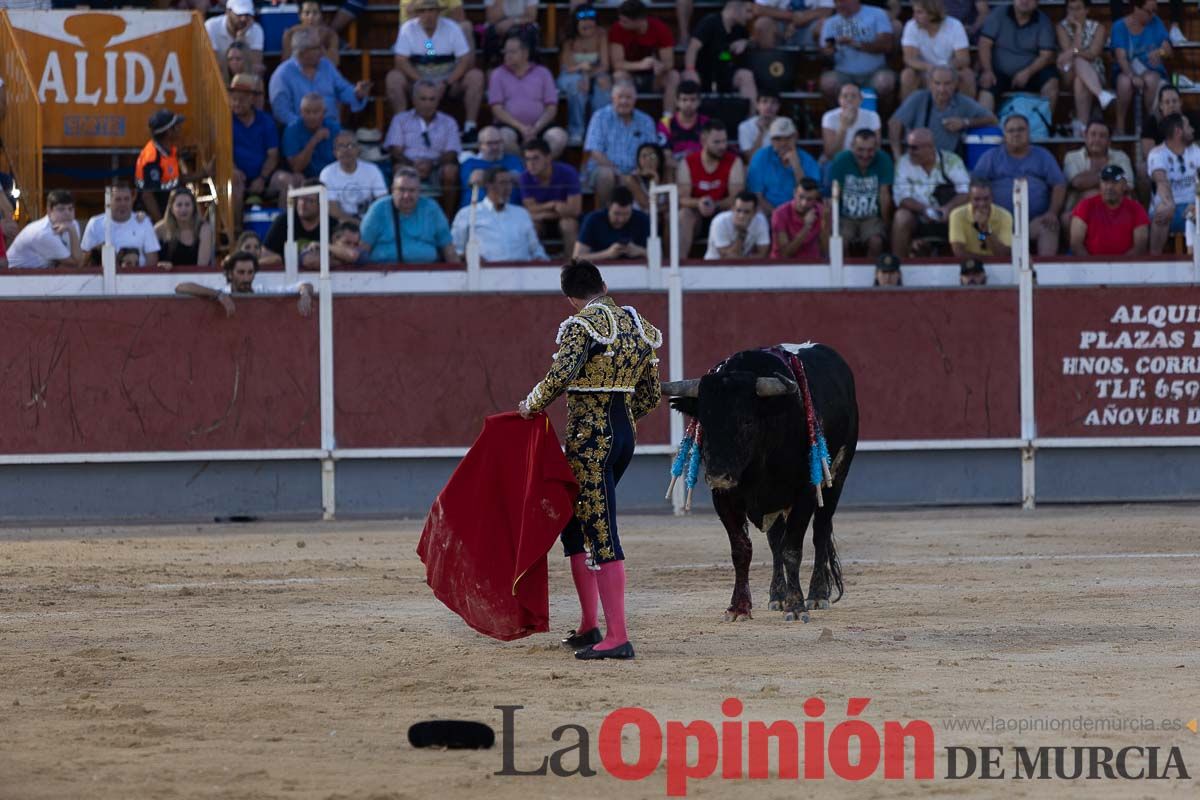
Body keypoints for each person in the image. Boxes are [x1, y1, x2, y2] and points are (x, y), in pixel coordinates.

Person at [518, 258, 662, 661]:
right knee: (574, 526)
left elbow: (560, 376)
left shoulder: (583, 327)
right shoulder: (639, 327)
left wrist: (531, 406)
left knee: (599, 530)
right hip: (623, 436)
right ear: (604, 283)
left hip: (589, 441)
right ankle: (589, 626)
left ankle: (617, 636)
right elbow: (649, 394)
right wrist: (621, 421)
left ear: (570, 298)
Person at [388, 0, 484, 140]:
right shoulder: (408, 28)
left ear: (438, 12)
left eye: (432, 10)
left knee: (476, 76)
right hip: (418, 77)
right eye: (423, 11)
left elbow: (464, 59)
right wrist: (421, 82)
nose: (428, 15)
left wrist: (446, 82)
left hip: (448, 78)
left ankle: (470, 128)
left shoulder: (452, 28)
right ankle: (401, 127)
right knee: (393, 78)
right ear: (417, 14)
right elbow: (401, 60)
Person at [971, 113, 1065, 256]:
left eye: (1021, 130)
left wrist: (1052, 212)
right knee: (979, 229)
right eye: (1011, 130)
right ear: (1004, 135)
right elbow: (975, 186)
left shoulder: (1043, 155)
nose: (1016, 134)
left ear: (1029, 133)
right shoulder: (991, 156)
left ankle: (1045, 275)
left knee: (1049, 226)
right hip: (997, 222)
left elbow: (1059, 184)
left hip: (1034, 222)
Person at [384, 78, 463, 215]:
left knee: (451, 171)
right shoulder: (401, 119)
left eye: (432, 99)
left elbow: (452, 152)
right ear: (414, 100)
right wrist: (413, 165)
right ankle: (401, 214)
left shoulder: (448, 122)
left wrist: (432, 164)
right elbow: (395, 150)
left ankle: (447, 217)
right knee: (399, 169)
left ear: (438, 100)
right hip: (408, 164)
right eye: (423, 99)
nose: (428, 104)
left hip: (437, 166)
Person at [888, 65, 996, 162]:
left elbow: (992, 119)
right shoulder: (919, 98)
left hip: (948, 163)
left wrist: (964, 122)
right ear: (930, 84)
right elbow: (894, 123)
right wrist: (898, 157)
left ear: (955, 84)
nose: (942, 89)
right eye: (937, 83)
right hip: (918, 160)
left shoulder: (962, 102)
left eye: (947, 83)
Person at [891, 127, 969, 257]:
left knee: (965, 214)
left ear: (930, 147)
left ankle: (964, 264)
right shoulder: (903, 163)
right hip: (917, 214)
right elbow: (901, 197)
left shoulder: (951, 161)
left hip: (948, 213)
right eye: (907, 146)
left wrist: (947, 209)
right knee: (901, 217)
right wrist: (924, 210)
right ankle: (896, 265)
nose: (909, 151)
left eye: (914, 148)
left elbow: (965, 192)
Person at [267, 28, 369, 128]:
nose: (322, 51)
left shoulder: (326, 65)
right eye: (317, 47)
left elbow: (342, 89)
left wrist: (357, 94)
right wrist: (308, 127)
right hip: (299, 132)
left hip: (331, 129)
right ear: (302, 52)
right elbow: (281, 112)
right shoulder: (282, 75)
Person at [489, 33, 568, 157]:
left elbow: (551, 107)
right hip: (510, 125)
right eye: (506, 52)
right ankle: (525, 168)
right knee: (504, 138)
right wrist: (522, 128)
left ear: (525, 53)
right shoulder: (497, 74)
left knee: (559, 137)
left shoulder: (543, 73)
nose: (507, 56)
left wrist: (536, 128)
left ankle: (541, 167)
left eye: (512, 52)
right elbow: (497, 109)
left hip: (540, 125)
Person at [360, 167, 458, 264]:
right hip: (382, 274)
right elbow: (363, 249)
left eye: (412, 190)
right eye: (401, 190)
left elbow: (449, 250)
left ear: (419, 191)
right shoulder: (378, 209)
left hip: (427, 275)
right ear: (393, 190)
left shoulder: (432, 209)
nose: (406, 195)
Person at [584, 80, 658, 208]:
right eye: (620, 97)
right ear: (612, 98)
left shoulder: (646, 121)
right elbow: (595, 152)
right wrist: (618, 172)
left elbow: (652, 152)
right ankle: (607, 213)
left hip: (637, 172)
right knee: (606, 175)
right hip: (606, 170)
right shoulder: (600, 117)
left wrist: (643, 169)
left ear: (635, 99)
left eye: (628, 97)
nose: (624, 101)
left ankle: (647, 215)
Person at [977, 0, 1059, 117]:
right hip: (999, 71)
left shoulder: (1043, 21)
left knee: (1052, 83)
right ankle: (985, 131)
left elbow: (1046, 55)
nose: (1024, 1)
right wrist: (987, 70)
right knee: (987, 85)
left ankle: (1042, 127)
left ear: (1037, 2)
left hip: (1031, 72)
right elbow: (984, 43)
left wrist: (1028, 72)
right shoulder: (999, 14)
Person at [678, 120, 746, 256]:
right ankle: (677, 265)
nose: (722, 146)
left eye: (724, 141)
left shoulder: (734, 162)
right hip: (697, 215)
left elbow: (737, 197)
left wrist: (715, 205)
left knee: (738, 213)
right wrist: (699, 203)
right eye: (717, 142)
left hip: (723, 212)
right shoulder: (688, 162)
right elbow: (681, 199)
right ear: (703, 141)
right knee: (684, 215)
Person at [175, 251, 314, 318]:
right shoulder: (222, 292)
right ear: (230, 274)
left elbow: (305, 285)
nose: (246, 278)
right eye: (241, 272)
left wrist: (305, 294)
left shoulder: (262, 291)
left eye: (250, 272)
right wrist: (218, 295)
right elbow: (181, 287)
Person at [451, 167, 548, 262]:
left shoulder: (521, 213)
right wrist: (471, 258)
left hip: (522, 272)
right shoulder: (468, 213)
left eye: (510, 183)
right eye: (502, 183)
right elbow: (456, 249)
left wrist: (540, 259)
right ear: (489, 185)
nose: (508, 188)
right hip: (484, 273)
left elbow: (535, 248)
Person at [231, 74, 291, 226]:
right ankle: (236, 232)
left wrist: (262, 178)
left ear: (252, 99)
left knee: (286, 181)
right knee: (234, 182)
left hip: (265, 177)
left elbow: (273, 155)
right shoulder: (226, 121)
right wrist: (234, 169)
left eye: (242, 99)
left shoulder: (266, 121)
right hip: (239, 176)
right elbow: (221, 152)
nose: (237, 103)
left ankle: (283, 230)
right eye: (234, 99)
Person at [818, 0, 897, 115]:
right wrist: (828, 52)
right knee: (828, 83)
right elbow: (823, 53)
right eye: (836, 2)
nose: (839, 5)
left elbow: (886, 45)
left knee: (885, 82)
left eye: (842, 1)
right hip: (843, 73)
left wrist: (856, 44)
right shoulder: (830, 22)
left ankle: (882, 119)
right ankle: (839, 118)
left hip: (874, 71)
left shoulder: (877, 14)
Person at [828, 128, 894, 257]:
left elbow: (884, 195)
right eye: (860, 149)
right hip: (845, 217)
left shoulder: (884, 160)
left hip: (872, 217)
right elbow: (835, 194)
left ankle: (873, 275)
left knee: (876, 242)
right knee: (840, 243)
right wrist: (833, 224)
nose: (865, 155)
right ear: (852, 147)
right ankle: (845, 277)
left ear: (877, 148)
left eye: (870, 150)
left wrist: (887, 225)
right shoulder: (841, 160)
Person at [1060, 120, 1135, 232]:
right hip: (1080, 210)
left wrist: (1090, 186)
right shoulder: (1072, 157)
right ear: (1085, 136)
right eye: (1093, 134)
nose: (1097, 139)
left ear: (1109, 141)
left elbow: (1128, 184)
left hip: (1115, 207)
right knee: (1066, 219)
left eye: (1102, 136)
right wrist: (1108, 175)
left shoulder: (1120, 156)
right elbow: (1077, 183)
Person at [609, 0, 681, 114]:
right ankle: (625, 117)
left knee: (674, 76)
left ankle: (667, 120)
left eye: (625, 21)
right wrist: (641, 65)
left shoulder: (659, 28)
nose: (620, 23)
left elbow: (669, 62)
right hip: (630, 76)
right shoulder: (617, 28)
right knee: (619, 75)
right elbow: (617, 63)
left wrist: (661, 66)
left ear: (639, 21)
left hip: (654, 78)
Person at [1111, 0, 1172, 135]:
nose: (1152, 16)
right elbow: (1121, 57)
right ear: (1136, 8)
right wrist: (1133, 76)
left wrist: (1160, 52)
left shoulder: (1156, 22)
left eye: (1155, 11)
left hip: (1151, 71)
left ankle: (1149, 125)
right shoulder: (1119, 26)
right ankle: (1120, 127)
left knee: (1151, 79)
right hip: (1126, 70)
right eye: (1149, 12)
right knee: (1124, 83)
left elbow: (1168, 49)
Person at [1056, 0, 1115, 139]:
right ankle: (1101, 95)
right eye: (1070, 9)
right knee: (1077, 62)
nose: (1073, 13)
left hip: (1094, 72)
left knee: (1080, 79)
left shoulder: (1098, 28)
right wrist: (1078, 30)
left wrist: (1073, 52)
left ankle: (1082, 128)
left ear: (1086, 10)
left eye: (1077, 9)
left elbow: (1093, 54)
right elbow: (1068, 52)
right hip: (1067, 72)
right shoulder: (1061, 27)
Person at [558, 5, 612, 147]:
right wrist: (583, 72)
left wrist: (588, 76)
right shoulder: (568, 37)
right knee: (577, 86)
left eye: (591, 21)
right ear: (576, 24)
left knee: (604, 85)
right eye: (584, 23)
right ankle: (576, 131)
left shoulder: (601, 34)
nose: (588, 24)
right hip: (570, 74)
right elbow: (567, 67)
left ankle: (600, 131)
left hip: (594, 73)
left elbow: (605, 65)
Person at [745, 117, 822, 216]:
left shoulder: (808, 160)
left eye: (788, 138)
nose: (783, 143)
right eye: (778, 139)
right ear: (771, 140)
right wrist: (779, 216)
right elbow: (757, 196)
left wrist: (796, 166)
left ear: (796, 137)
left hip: (800, 213)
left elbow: (811, 195)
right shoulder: (761, 157)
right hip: (768, 213)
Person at [520, 137, 583, 255]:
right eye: (527, 159)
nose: (531, 164)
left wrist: (542, 212)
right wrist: (553, 205)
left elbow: (575, 210)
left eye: (536, 158)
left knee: (568, 224)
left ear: (548, 158)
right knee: (532, 224)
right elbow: (530, 209)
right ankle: (532, 264)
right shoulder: (525, 177)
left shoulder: (568, 173)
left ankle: (572, 267)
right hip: (545, 220)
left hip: (563, 219)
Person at [1069, 164, 1150, 255]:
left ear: (1124, 185)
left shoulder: (1136, 209)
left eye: (1114, 182)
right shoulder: (1085, 205)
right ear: (1100, 184)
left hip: (1126, 267)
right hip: (1090, 266)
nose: (1109, 187)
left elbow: (1140, 247)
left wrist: (1119, 267)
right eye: (1105, 182)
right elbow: (1076, 245)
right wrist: (1093, 267)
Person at [1148, 112, 1200, 253]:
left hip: (1192, 209)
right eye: (1188, 126)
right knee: (1162, 211)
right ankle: (1154, 264)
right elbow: (1161, 180)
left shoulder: (1196, 151)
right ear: (1178, 132)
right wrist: (1168, 203)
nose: (1193, 130)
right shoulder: (1157, 154)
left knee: (1195, 216)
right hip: (1169, 209)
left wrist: (1196, 204)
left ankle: (1195, 265)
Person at [136, 109, 200, 223]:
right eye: (176, 126)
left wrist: (204, 173)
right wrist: (162, 225)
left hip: (170, 212)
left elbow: (175, 180)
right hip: (153, 219)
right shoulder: (152, 159)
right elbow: (148, 195)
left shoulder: (169, 150)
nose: (180, 129)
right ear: (169, 132)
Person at [900, 0, 972, 101]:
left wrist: (944, 69)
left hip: (949, 70)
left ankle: (966, 114)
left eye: (919, 12)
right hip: (923, 71)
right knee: (907, 74)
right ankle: (907, 114)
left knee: (967, 75)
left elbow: (964, 59)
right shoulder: (911, 25)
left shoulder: (955, 25)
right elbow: (909, 59)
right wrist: (930, 68)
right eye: (914, 12)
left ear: (932, 13)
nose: (914, 16)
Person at [684, 0, 756, 101]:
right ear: (734, 9)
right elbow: (692, 48)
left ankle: (751, 116)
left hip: (725, 74)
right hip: (703, 73)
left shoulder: (739, 29)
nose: (750, 16)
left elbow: (755, 42)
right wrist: (690, 70)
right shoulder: (710, 22)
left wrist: (745, 42)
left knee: (746, 76)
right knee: (691, 80)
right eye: (747, 11)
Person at [260, 180, 339, 268]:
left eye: (309, 200)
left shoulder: (333, 225)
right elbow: (265, 253)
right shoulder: (284, 221)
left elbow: (345, 254)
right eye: (301, 198)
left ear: (322, 204)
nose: (302, 204)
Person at [80, 182, 160, 267]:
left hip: (137, 277)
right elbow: (84, 258)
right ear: (109, 201)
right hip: (102, 277)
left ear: (132, 200)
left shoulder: (144, 222)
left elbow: (152, 259)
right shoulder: (95, 223)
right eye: (118, 199)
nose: (123, 204)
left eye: (126, 199)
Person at [320, 131, 389, 222]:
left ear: (358, 150)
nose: (346, 150)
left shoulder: (372, 170)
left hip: (370, 221)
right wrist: (355, 223)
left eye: (350, 145)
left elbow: (382, 201)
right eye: (341, 146)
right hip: (341, 223)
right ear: (335, 152)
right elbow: (332, 208)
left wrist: (369, 224)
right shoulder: (327, 173)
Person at [6, 189, 84, 269]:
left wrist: (72, 231)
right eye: (61, 209)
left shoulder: (72, 225)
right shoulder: (43, 232)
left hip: (37, 273)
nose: (67, 213)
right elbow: (74, 263)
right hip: (14, 274)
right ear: (49, 211)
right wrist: (73, 231)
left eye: (70, 209)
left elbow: (77, 261)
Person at [575, 187, 651, 260]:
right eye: (616, 213)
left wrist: (640, 251)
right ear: (608, 207)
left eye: (626, 214)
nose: (621, 219)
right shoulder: (593, 220)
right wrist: (607, 254)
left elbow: (659, 257)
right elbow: (576, 258)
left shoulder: (643, 220)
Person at [459, 126, 524, 208]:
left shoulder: (513, 160)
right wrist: (509, 176)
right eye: (489, 143)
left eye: (498, 142)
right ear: (480, 145)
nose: (495, 147)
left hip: (511, 211)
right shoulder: (469, 163)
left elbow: (522, 180)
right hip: (477, 211)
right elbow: (473, 180)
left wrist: (486, 176)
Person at [948, 177, 1013, 258]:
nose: (982, 204)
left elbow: (1004, 254)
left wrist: (986, 228)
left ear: (992, 197)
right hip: (971, 266)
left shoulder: (1005, 216)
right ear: (969, 198)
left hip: (998, 267)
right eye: (977, 199)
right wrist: (987, 261)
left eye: (986, 199)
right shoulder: (957, 215)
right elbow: (959, 252)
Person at [282, 93, 339, 180]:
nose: (311, 116)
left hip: (331, 177)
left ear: (324, 112)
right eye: (307, 112)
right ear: (301, 112)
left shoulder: (334, 128)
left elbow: (343, 159)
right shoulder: (292, 129)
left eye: (316, 112)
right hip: (305, 179)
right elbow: (296, 167)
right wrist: (314, 140)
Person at [155, 187, 214, 268]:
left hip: (196, 278)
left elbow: (202, 267)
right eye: (179, 205)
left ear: (194, 207)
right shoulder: (159, 230)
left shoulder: (204, 229)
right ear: (171, 208)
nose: (183, 209)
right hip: (166, 278)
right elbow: (151, 264)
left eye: (187, 205)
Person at [822, 83, 882, 163]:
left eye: (853, 96)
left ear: (861, 100)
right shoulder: (829, 117)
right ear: (839, 100)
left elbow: (876, 149)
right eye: (845, 96)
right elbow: (831, 155)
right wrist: (843, 127)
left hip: (864, 160)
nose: (849, 99)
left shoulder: (873, 117)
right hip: (838, 161)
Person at [771, 177, 827, 259]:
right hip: (783, 266)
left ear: (816, 199)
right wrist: (806, 227)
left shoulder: (822, 212)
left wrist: (826, 224)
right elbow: (785, 254)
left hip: (812, 265)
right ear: (794, 193)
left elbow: (825, 251)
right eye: (801, 197)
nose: (804, 203)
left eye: (809, 199)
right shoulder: (779, 214)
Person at [704, 191, 770, 259]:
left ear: (755, 212)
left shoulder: (761, 221)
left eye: (747, 212)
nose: (741, 215)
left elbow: (762, 254)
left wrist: (744, 260)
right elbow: (727, 257)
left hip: (744, 266)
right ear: (732, 208)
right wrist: (741, 234)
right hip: (715, 265)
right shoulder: (720, 222)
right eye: (738, 210)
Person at [656, 81, 710, 163]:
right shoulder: (665, 123)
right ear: (677, 101)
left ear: (699, 102)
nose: (688, 104)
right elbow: (664, 153)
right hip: (674, 168)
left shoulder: (707, 123)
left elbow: (710, 151)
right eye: (684, 100)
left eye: (692, 100)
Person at [206, 0, 263, 76]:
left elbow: (255, 66)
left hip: (243, 80)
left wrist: (241, 38)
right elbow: (213, 65)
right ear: (228, 12)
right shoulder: (211, 26)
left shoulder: (256, 29)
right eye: (239, 14)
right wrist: (239, 41)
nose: (243, 19)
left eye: (247, 15)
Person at [750, 0, 833, 50]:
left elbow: (828, 9)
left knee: (825, 24)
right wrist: (792, 16)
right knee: (763, 24)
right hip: (781, 25)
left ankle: (818, 69)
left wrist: (802, 18)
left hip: (809, 25)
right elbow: (758, 9)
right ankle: (771, 65)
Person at [482, 0, 539, 68]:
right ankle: (494, 69)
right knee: (491, 32)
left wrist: (512, 22)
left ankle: (530, 68)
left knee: (529, 33)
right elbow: (491, 18)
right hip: (499, 24)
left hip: (522, 23)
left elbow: (531, 16)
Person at [282, 0, 340, 65]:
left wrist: (319, 46)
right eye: (307, 13)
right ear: (300, 16)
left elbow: (335, 63)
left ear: (320, 15)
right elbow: (285, 63)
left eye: (315, 13)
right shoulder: (290, 34)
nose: (311, 17)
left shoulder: (330, 34)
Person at [623, 142, 669, 221]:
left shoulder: (666, 176)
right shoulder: (631, 179)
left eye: (653, 156)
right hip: (639, 221)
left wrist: (656, 178)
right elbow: (649, 206)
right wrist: (655, 181)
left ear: (659, 159)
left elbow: (671, 204)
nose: (648, 160)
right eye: (644, 156)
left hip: (660, 220)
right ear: (638, 160)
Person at [738, 90, 781, 163]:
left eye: (773, 102)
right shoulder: (744, 127)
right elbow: (751, 159)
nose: (769, 106)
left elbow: (788, 156)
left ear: (778, 106)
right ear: (757, 105)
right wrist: (761, 132)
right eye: (764, 101)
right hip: (757, 170)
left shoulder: (786, 124)